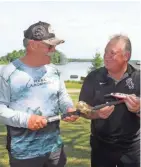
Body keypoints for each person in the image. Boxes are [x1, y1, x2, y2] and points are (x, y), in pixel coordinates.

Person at [0, 21, 78, 167]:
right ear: (33, 45)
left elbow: (62, 96)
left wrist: (68, 108)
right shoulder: (7, 73)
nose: (54, 50)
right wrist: (26, 120)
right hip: (23, 154)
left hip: (55, 150)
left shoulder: (53, 71)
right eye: (50, 46)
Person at [79, 35, 140, 167]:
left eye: (112, 53)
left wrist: (138, 109)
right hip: (101, 145)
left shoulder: (138, 78)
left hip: (131, 147)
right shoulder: (93, 77)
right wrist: (96, 114)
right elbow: (82, 109)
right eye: (105, 52)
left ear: (126, 56)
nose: (106, 56)